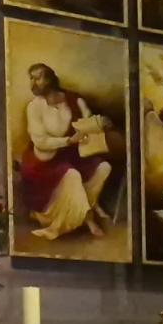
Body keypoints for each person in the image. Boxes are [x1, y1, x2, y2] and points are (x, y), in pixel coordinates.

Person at [19, 63, 115, 240]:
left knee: (103, 167)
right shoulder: (34, 107)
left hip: (72, 154)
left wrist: (101, 122)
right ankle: (88, 219)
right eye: (31, 78)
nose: (33, 83)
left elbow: (88, 122)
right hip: (43, 160)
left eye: (37, 78)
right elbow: (40, 141)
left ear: (49, 79)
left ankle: (87, 205)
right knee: (72, 175)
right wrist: (68, 141)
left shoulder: (74, 100)